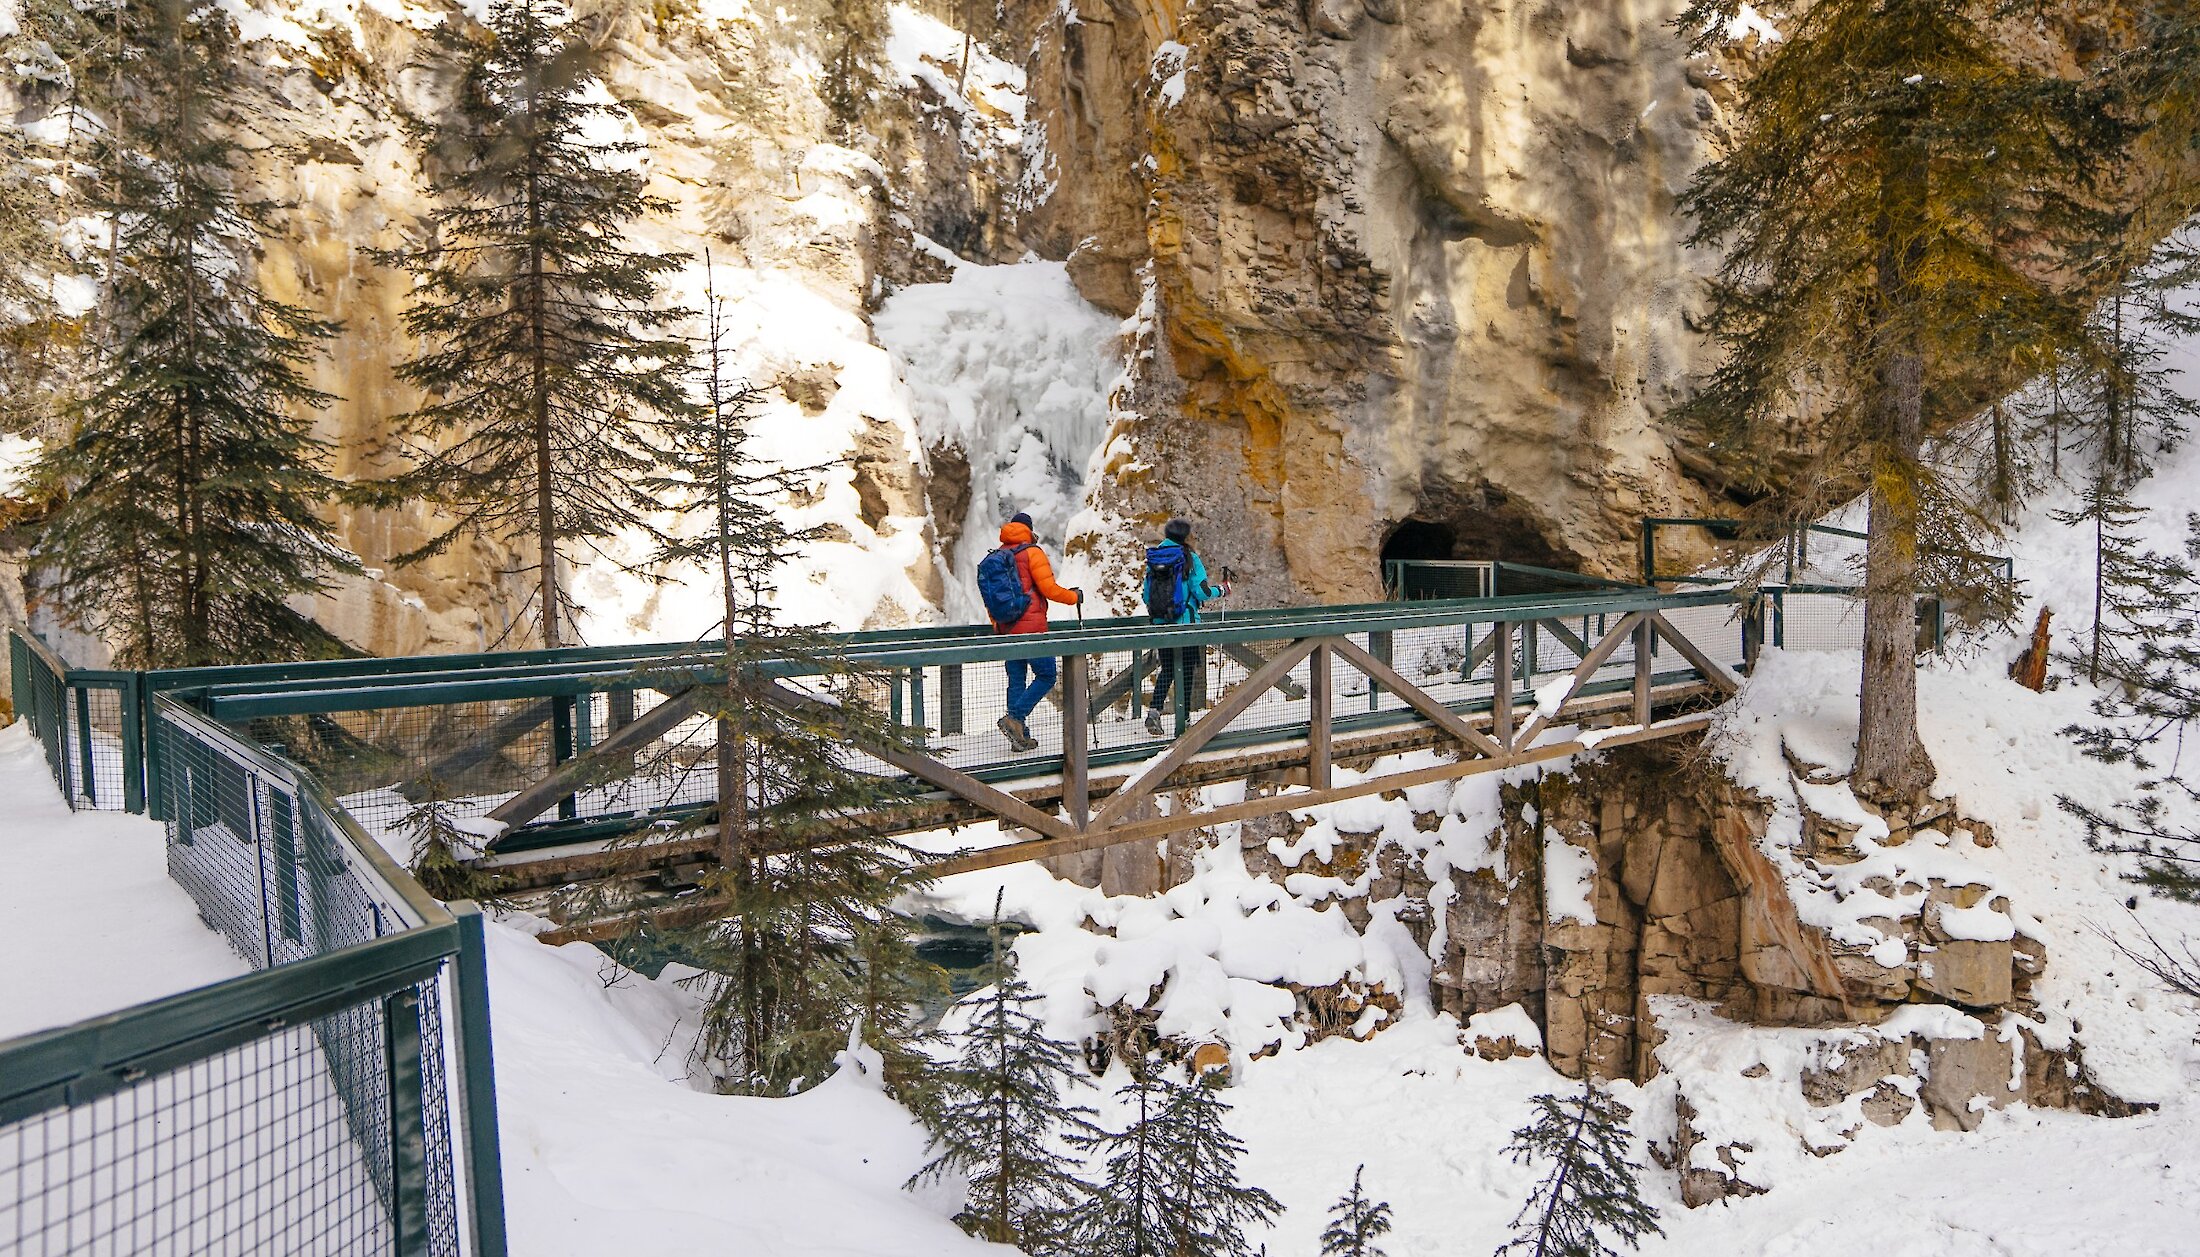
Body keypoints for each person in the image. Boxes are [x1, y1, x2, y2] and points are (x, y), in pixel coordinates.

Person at [977, 512, 1082, 752]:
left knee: (1016, 679)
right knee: (1046, 675)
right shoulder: (1032, 552)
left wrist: (998, 626)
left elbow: (991, 600)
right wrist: (1074, 597)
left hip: (1007, 628)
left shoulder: (999, 557)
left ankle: (1020, 737)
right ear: (1029, 530)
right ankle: (1015, 718)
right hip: (1032, 628)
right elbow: (1049, 589)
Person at [1141, 517, 1227, 736]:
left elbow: (1146, 594)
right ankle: (1184, 719)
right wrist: (1223, 590)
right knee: (1187, 670)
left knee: (1168, 668)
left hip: (1161, 623)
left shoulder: (1155, 558)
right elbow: (1201, 592)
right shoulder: (1189, 558)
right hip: (1186, 625)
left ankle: (1154, 710)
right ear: (1185, 536)